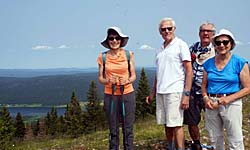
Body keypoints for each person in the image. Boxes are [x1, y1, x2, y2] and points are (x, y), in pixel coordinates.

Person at [146, 17, 193, 150]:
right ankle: (171, 147)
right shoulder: (160, 49)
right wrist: (152, 93)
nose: (166, 31)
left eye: (169, 28)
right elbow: (159, 73)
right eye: (163, 29)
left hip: (175, 91)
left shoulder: (181, 45)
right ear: (159, 31)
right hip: (161, 91)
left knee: (177, 124)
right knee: (167, 123)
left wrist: (186, 95)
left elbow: (189, 71)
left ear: (174, 29)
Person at [201, 29, 250, 150]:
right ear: (215, 45)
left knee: (235, 138)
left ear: (231, 44)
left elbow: (248, 88)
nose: (221, 45)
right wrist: (206, 98)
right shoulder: (208, 64)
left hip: (231, 103)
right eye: (218, 43)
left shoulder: (239, 62)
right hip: (212, 103)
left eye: (225, 42)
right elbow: (203, 85)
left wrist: (228, 99)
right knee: (214, 138)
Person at [97, 26, 136, 150]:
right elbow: (100, 78)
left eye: (117, 38)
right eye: (111, 38)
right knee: (113, 128)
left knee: (128, 128)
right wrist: (108, 80)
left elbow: (133, 75)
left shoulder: (128, 54)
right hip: (110, 95)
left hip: (127, 94)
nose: (114, 41)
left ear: (121, 40)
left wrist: (127, 80)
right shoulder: (102, 57)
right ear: (108, 41)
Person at [183, 22, 216, 150]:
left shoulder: (217, 49)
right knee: (192, 121)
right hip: (192, 91)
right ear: (199, 33)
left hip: (210, 91)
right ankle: (196, 144)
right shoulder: (192, 48)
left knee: (213, 120)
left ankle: (215, 144)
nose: (205, 33)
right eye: (203, 31)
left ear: (213, 34)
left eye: (208, 31)